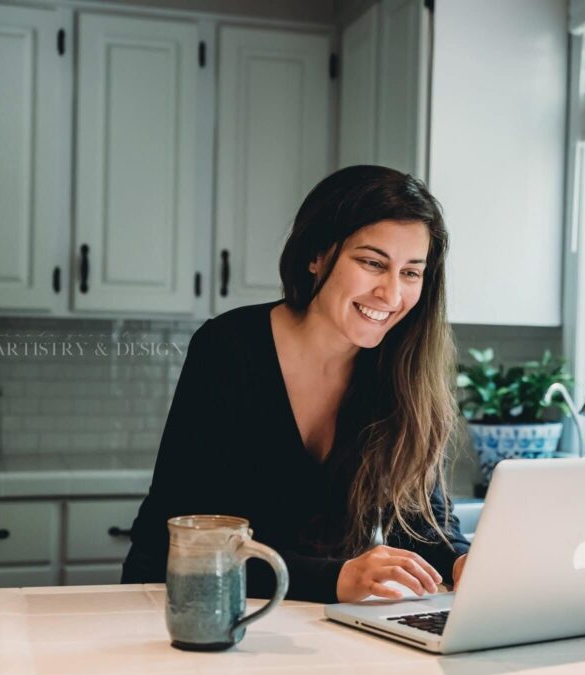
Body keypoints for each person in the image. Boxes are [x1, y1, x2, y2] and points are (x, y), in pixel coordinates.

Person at [121, 165, 470, 603]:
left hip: (309, 620)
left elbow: (421, 524)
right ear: (316, 256)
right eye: (372, 263)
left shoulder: (403, 371)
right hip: (178, 605)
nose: (391, 293)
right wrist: (336, 579)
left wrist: (461, 560)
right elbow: (194, 538)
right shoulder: (228, 348)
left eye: (411, 273)